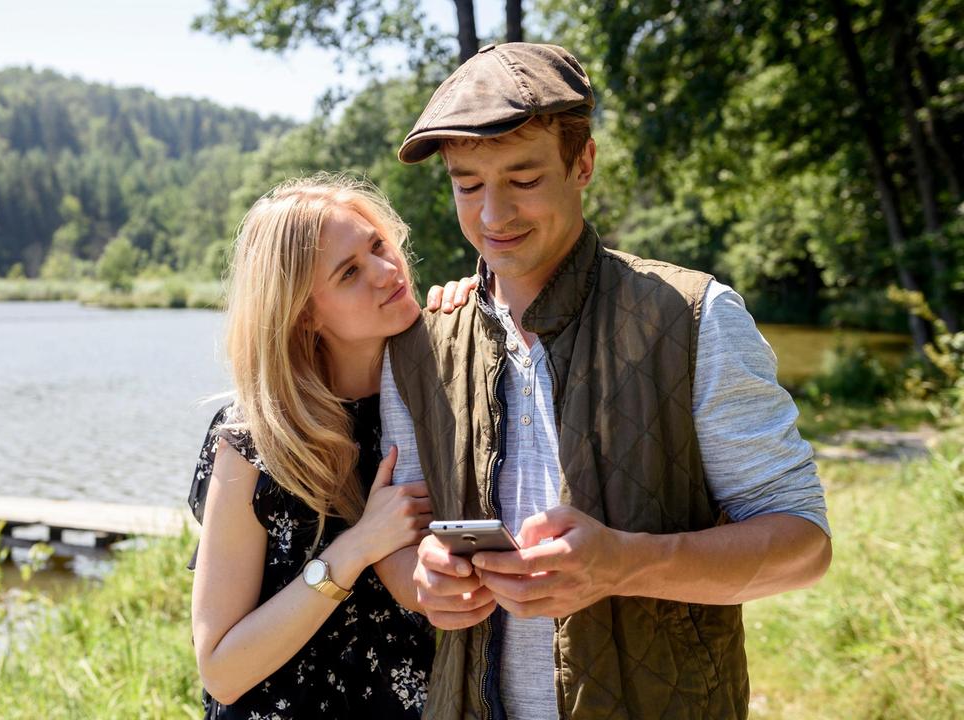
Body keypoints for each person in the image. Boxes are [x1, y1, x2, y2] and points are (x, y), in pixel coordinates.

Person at [377, 43, 833, 719]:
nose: (493, 215)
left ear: (582, 163)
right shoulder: (418, 344)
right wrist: (423, 582)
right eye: (467, 184)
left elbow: (805, 545)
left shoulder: (695, 316)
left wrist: (623, 563)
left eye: (525, 180)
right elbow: (399, 544)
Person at [188, 174, 437, 719]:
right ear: (304, 313)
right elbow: (221, 671)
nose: (386, 271)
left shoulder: (443, 395)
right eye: (349, 272)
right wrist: (358, 546)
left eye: (378, 245)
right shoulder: (255, 442)